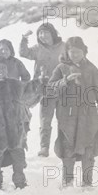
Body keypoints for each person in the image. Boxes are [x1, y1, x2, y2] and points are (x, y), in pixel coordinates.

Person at [48, 37, 98, 188]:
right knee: (68, 147)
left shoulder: (91, 68)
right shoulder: (61, 68)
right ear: (67, 52)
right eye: (72, 52)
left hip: (88, 115)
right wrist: (66, 80)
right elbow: (50, 89)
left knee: (88, 148)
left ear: (84, 52)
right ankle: (67, 181)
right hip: (67, 116)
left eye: (78, 52)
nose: (75, 55)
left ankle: (87, 182)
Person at [0, 56, 44, 190]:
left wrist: (39, 82)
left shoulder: (15, 84)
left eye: (3, 68)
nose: (0, 70)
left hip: (14, 125)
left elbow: (28, 94)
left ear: (7, 70)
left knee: (18, 154)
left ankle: (20, 182)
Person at [20, 23, 65, 157]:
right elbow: (23, 53)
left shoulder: (64, 47)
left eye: (45, 32)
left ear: (52, 33)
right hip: (45, 89)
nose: (42, 35)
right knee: (45, 120)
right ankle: (44, 147)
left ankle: (64, 147)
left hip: (63, 88)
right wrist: (24, 39)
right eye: (40, 33)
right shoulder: (38, 48)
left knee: (63, 119)